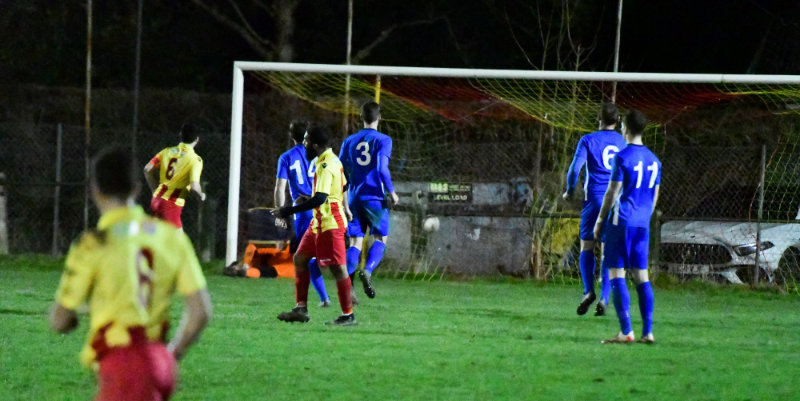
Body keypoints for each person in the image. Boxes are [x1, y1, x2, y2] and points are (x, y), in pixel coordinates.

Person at [50, 147, 212, 400]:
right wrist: (171, 355)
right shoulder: (170, 237)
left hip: (123, 363)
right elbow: (200, 312)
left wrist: (74, 317)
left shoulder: (93, 243)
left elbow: (59, 320)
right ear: (136, 189)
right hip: (160, 362)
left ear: (95, 191)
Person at [273, 125, 356, 326]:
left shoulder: (325, 164)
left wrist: (288, 210)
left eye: (307, 141)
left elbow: (320, 198)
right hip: (318, 222)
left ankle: (348, 315)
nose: (304, 144)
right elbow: (344, 185)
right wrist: (343, 206)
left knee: (338, 269)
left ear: (316, 145)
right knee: (300, 258)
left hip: (330, 223)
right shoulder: (330, 159)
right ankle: (301, 308)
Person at [593, 109, 660, 344]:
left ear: (626, 128)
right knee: (642, 277)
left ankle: (626, 331)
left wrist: (600, 221)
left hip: (621, 222)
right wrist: (643, 218)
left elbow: (612, 192)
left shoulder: (622, 157)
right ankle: (648, 332)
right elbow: (654, 197)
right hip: (642, 225)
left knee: (616, 273)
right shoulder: (655, 161)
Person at [562, 103, 626, 316]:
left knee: (587, 246)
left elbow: (575, 169)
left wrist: (570, 191)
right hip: (615, 202)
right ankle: (604, 298)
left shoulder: (588, 140)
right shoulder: (623, 142)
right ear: (617, 121)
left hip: (594, 200)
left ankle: (588, 291)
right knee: (608, 250)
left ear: (598, 119)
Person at [338, 101, 399, 299]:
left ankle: (347, 288)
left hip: (354, 198)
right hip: (375, 198)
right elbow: (382, 169)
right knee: (380, 238)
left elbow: (340, 170)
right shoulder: (384, 140)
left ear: (361, 118)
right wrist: (392, 192)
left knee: (355, 242)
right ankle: (368, 270)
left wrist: (344, 196)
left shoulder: (349, 141)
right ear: (379, 117)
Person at [274, 119, 331, 307]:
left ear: (291, 135)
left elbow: (280, 188)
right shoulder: (319, 155)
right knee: (314, 255)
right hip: (323, 208)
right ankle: (325, 297)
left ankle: (318, 300)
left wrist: (280, 212)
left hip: (303, 213)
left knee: (305, 257)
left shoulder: (286, 157)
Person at [144, 123, 206, 229]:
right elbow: (195, 187)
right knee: (178, 239)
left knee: (155, 235)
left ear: (180, 135)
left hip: (156, 200)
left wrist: (154, 189)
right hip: (171, 205)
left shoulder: (166, 152)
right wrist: (202, 195)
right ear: (197, 139)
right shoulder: (195, 160)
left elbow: (147, 169)